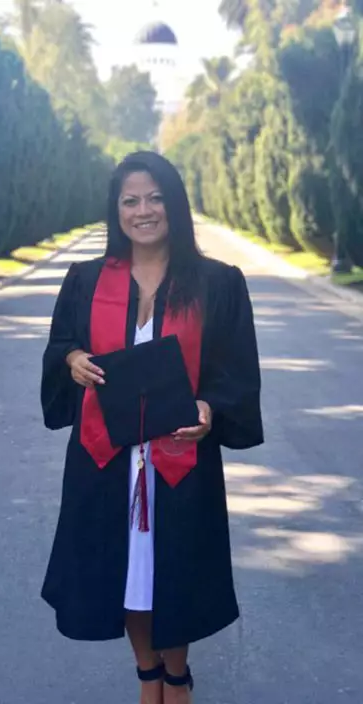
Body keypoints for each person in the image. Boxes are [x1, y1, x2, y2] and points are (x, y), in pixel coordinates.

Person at [40, 150, 263, 704]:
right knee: (128, 574)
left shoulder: (216, 282)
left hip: (179, 459)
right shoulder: (86, 279)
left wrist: (211, 407)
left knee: (176, 571)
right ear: (116, 211)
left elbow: (235, 369)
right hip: (105, 458)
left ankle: (177, 676)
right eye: (130, 200)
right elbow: (61, 346)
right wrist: (71, 362)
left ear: (175, 204)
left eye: (155, 197)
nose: (144, 211)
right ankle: (147, 674)